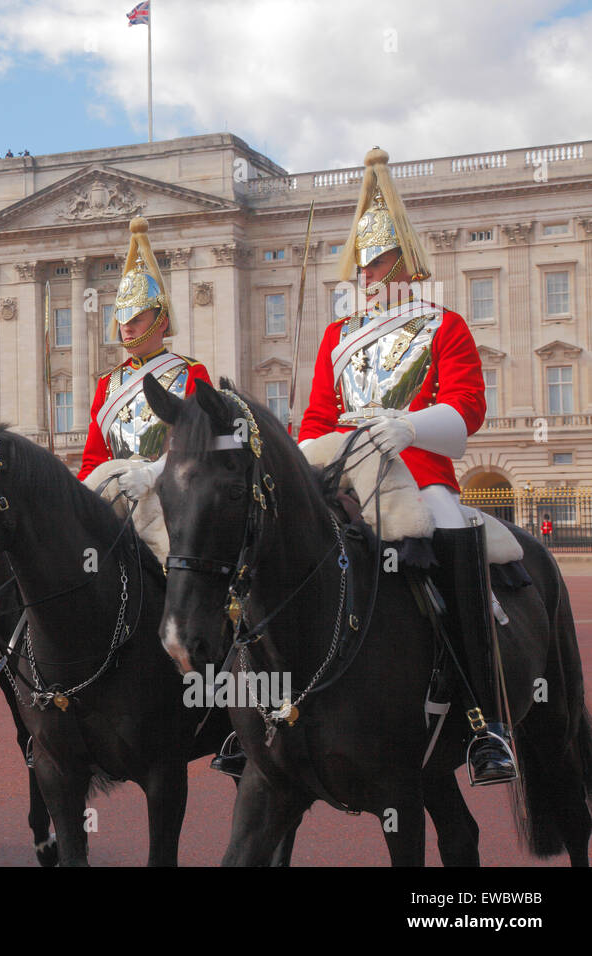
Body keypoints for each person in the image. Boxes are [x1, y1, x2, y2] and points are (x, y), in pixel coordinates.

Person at [297, 147, 514, 785]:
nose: (371, 274)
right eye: (364, 264)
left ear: (407, 263)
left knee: (451, 534)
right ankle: (255, 713)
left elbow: (468, 411)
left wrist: (410, 426)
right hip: (347, 478)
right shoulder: (338, 338)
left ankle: (483, 720)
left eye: (382, 261)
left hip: (420, 474)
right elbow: (315, 421)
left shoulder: (443, 325)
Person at [79, 217, 211, 487]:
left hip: (174, 493)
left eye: (136, 319)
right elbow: (93, 461)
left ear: (161, 322)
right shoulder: (108, 384)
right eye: (123, 320)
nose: (126, 328)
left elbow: (200, 444)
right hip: (118, 496)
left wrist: (154, 475)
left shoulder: (190, 373)